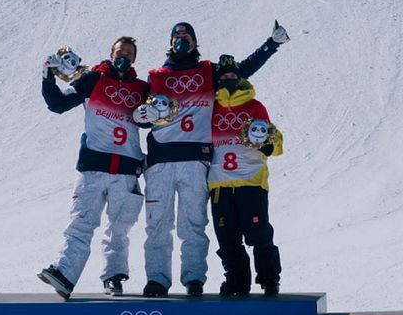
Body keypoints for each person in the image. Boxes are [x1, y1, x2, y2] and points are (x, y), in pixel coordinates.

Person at [139, 20, 289, 297]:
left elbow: (240, 71)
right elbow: (140, 114)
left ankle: (194, 278)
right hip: (161, 158)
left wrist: (271, 46)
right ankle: (157, 279)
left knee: (193, 224)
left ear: (195, 41)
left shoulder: (209, 71)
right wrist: (142, 123)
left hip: (197, 160)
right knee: (157, 223)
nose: (182, 40)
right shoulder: (155, 76)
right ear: (170, 41)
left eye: (187, 36)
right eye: (177, 36)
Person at [37, 37, 148, 299]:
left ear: (134, 59)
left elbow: (152, 121)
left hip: (126, 170)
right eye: (120, 51)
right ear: (111, 53)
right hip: (93, 168)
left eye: (129, 53)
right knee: (81, 222)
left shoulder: (142, 89)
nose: (124, 56)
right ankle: (65, 274)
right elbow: (59, 104)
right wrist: (47, 77)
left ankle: (114, 276)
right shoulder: (93, 79)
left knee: (119, 228)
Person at [208, 55, 283, 296]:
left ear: (240, 79)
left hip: (251, 182)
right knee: (228, 240)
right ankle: (236, 282)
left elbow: (274, 138)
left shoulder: (254, 106)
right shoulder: (211, 108)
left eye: (232, 76)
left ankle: (269, 279)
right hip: (220, 184)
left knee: (259, 235)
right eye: (224, 77)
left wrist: (268, 145)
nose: (228, 80)